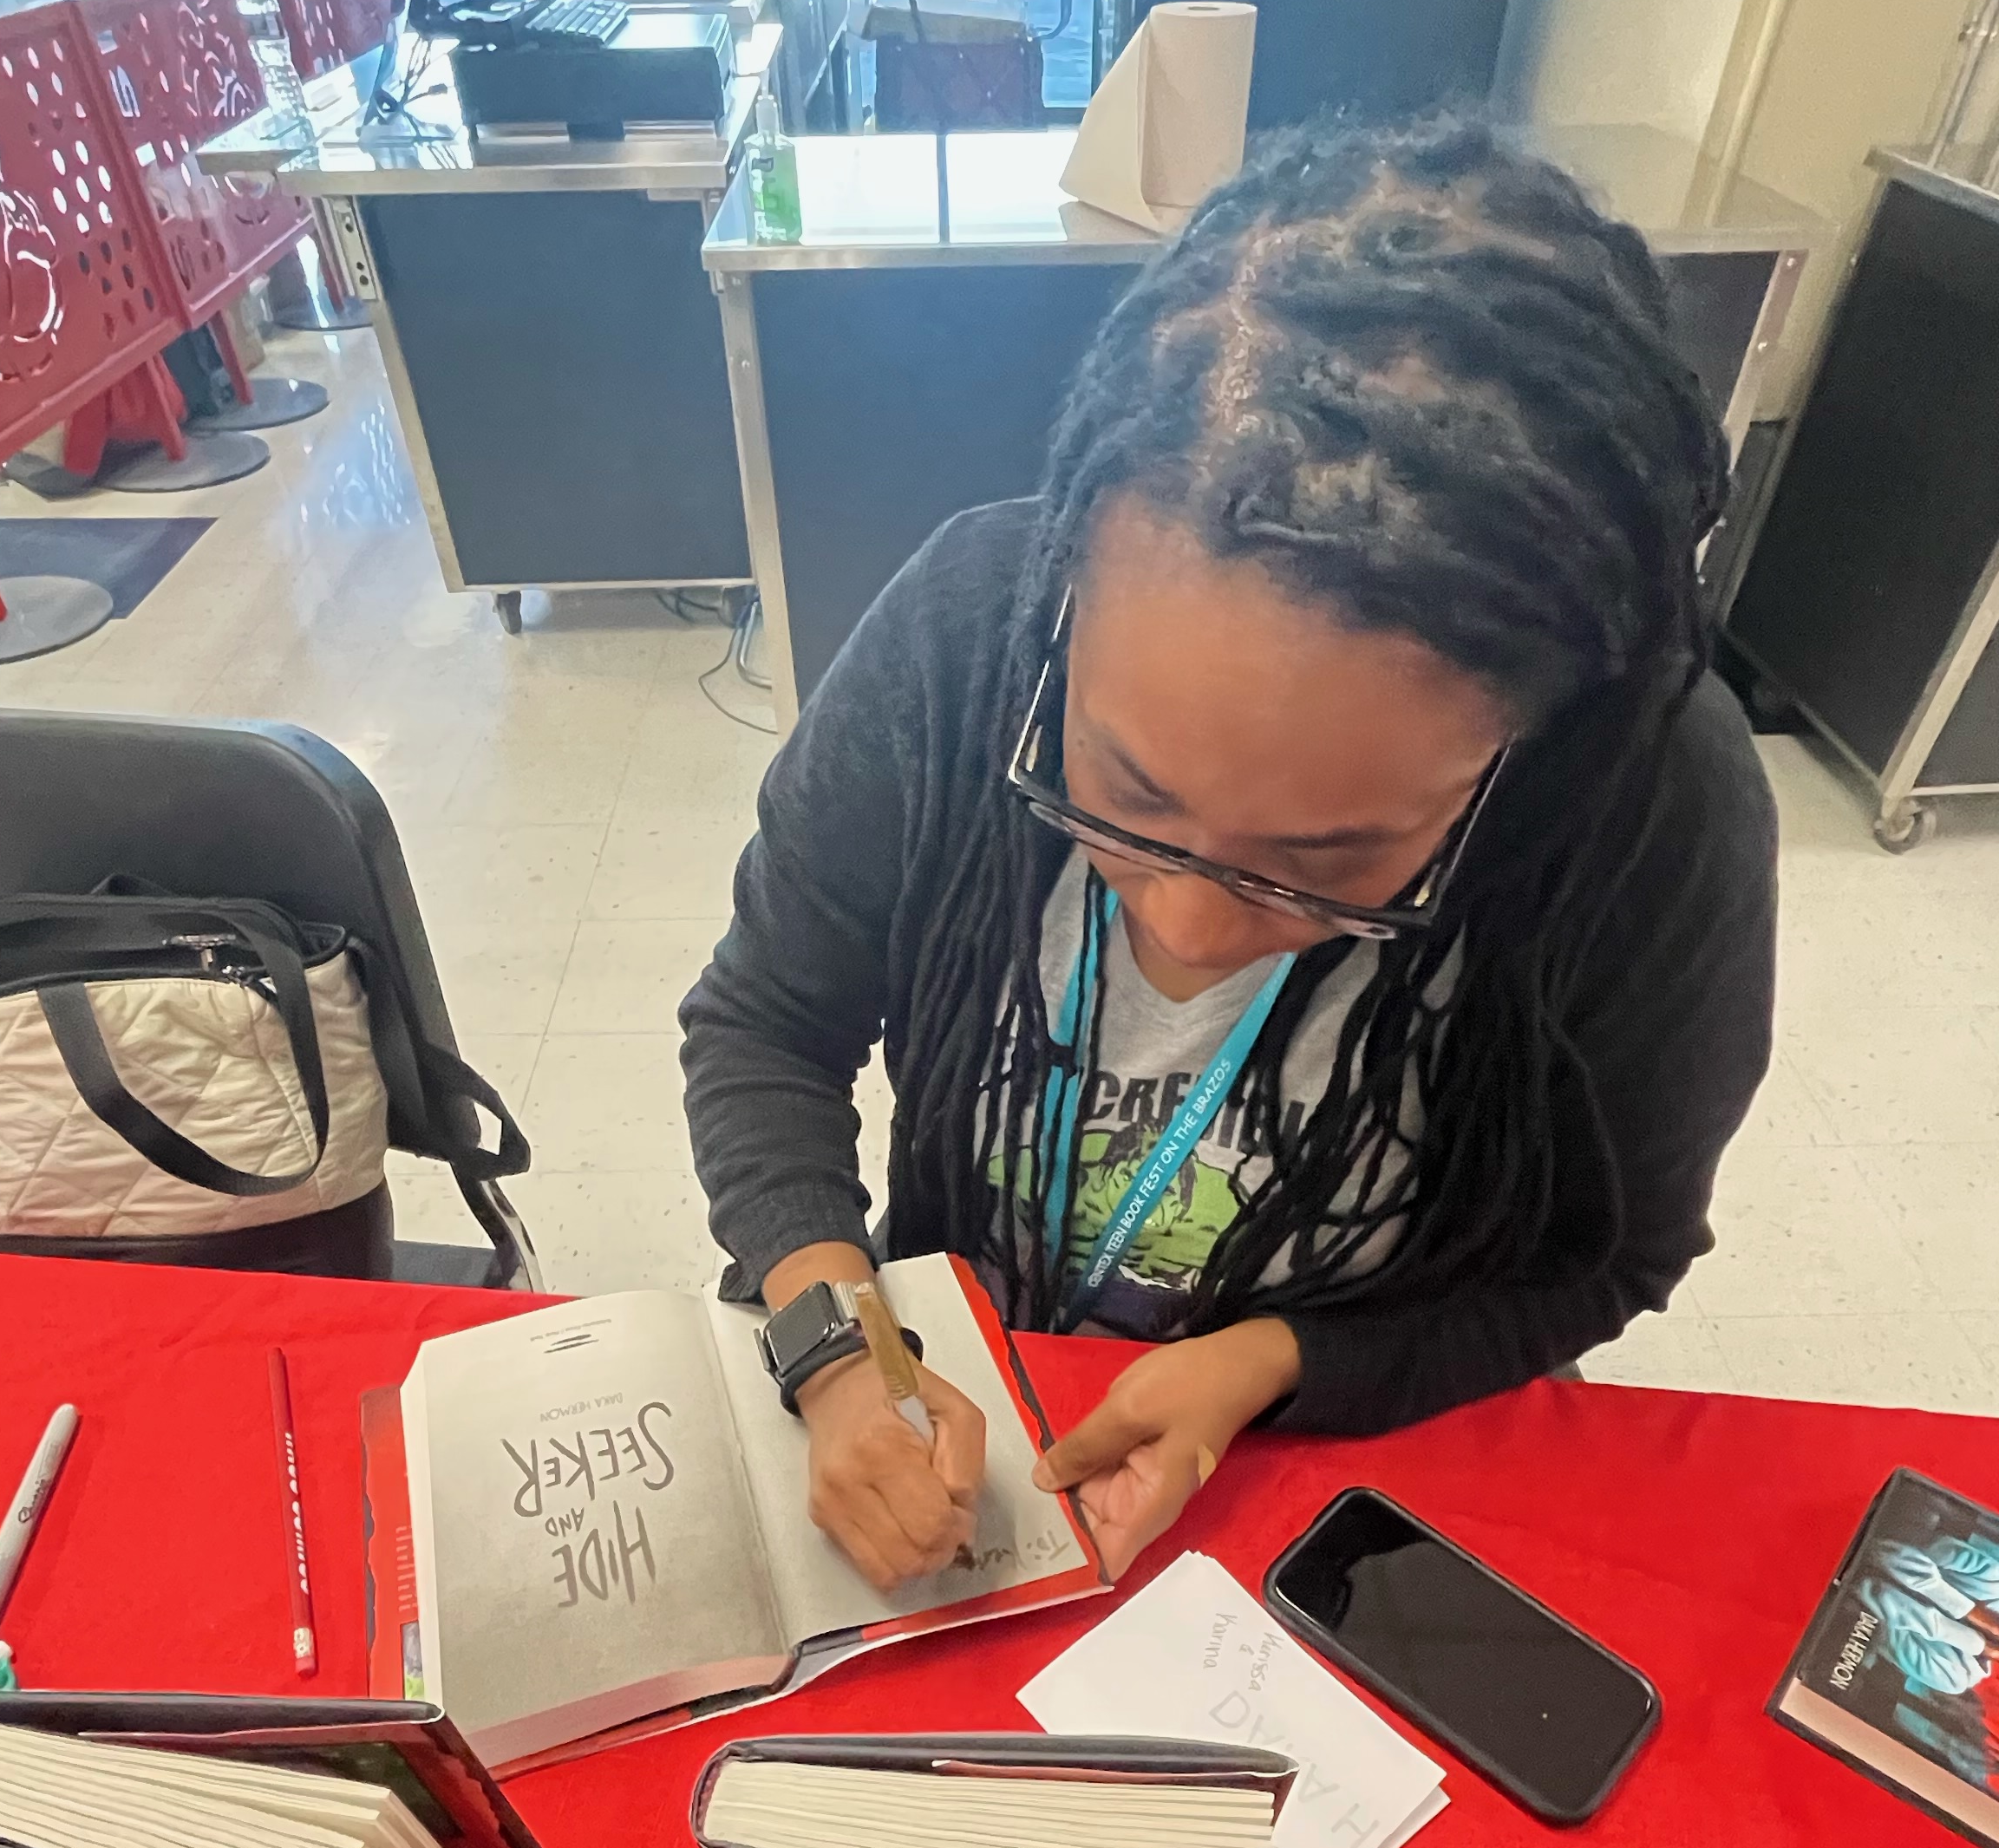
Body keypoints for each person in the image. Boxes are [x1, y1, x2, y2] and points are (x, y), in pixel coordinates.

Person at [680, 115, 1778, 1592]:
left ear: (1526, 742)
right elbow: (765, 1025)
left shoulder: (1651, 810)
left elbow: (1609, 1256)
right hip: (993, 1399)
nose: (1190, 933)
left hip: (1361, 1475)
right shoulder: (965, 637)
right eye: (1123, 794)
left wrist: (1277, 1361)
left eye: (1327, 862)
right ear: (1068, 588)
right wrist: (836, 1339)